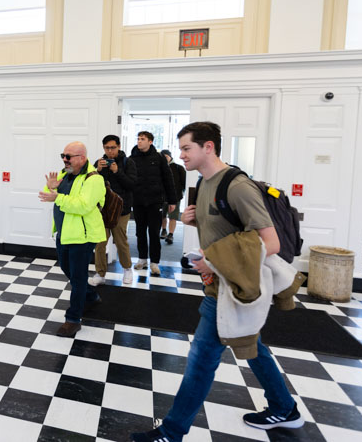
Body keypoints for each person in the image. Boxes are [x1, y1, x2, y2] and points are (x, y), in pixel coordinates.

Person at [130, 121, 304, 442]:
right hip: (220, 282)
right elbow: (226, 232)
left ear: (208, 147)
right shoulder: (205, 181)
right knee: (252, 346)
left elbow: (271, 242)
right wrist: (192, 221)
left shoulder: (237, 186)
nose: (180, 155)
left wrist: (213, 260)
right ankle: (284, 407)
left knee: (201, 360)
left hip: (231, 288)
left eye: (186, 148)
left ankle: (171, 432)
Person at [39, 141, 106, 338]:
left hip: (82, 236)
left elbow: (83, 205)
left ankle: (73, 319)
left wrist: (57, 197)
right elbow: (49, 193)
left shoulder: (94, 179)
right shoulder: (65, 174)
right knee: (66, 269)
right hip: (64, 233)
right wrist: (51, 187)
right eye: (63, 155)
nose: (65, 160)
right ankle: (90, 295)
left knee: (77, 278)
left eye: (69, 156)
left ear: (82, 158)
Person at [91, 134, 137, 285]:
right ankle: (100, 273)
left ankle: (127, 269)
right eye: (107, 148)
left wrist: (118, 172)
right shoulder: (99, 163)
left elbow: (131, 184)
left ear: (119, 147)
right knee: (100, 242)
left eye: (113, 148)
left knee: (120, 241)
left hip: (121, 209)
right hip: (101, 209)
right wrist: (97, 170)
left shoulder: (127, 162)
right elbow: (89, 184)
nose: (110, 151)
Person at [130, 131, 177, 276]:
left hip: (155, 201)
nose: (139, 141)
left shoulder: (159, 158)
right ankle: (142, 259)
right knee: (140, 232)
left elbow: (168, 178)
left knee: (154, 233)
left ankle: (155, 262)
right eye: (138, 139)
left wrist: (172, 200)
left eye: (142, 139)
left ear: (150, 141)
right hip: (138, 201)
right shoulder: (132, 158)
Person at [160, 149, 186, 245]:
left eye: (166, 157)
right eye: (163, 157)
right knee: (162, 215)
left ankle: (170, 234)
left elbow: (184, 183)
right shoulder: (159, 168)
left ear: (170, 156)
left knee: (173, 216)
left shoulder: (179, 168)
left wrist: (179, 194)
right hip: (161, 197)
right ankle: (163, 230)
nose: (165, 159)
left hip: (175, 197)